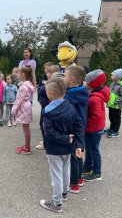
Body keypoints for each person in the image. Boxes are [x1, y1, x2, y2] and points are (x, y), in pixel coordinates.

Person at [39, 77, 84, 213]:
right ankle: (64, 193)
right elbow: (79, 125)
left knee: (56, 175)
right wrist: (78, 144)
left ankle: (56, 203)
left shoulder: (47, 111)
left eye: (46, 91)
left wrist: (66, 139)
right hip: (68, 147)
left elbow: (50, 133)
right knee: (65, 170)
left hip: (55, 148)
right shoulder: (70, 107)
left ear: (51, 93)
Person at [63, 66, 88, 194]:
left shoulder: (69, 96)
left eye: (65, 75)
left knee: (73, 157)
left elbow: (67, 115)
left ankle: (73, 184)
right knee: (79, 153)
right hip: (81, 128)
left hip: (72, 129)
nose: (63, 78)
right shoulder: (83, 91)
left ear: (71, 79)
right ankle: (79, 179)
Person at [83, 69, 110, 181]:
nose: (83, 82)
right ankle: (87, 166)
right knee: (88, 148)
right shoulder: (93, 95)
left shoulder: (94, 99)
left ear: (92, 84)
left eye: (85, 81)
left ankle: (97, 172)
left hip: (93, 129)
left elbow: (96, 116)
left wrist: (87, 126)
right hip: (92, 129)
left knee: (94, 150)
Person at [12, 66, 35, 154]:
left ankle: (27, 148)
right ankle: (27, 146)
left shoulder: (23, 87)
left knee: (25, 128)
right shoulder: (26, 85)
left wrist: (14, 110)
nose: (17, 74)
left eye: (18, 73)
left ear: (23, 74)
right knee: (26, 128)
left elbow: (18, 100)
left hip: (24, 107)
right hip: (26, 106)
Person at [36, 65, 60, 150]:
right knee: (42, 124)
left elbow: (42, 91)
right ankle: (46, 142)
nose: (46, 73)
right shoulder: (46, 81)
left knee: (46, 126)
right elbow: (39, 90)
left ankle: (48, 145)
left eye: (49, 72)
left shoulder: (52, 84)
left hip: (49, 107)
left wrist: (46, 85)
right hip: (44, 106)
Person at [106, 68, 122, 138]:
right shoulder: (113, 83)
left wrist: (116, 102)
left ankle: (115, 131)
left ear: (118, 77)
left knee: (116, 118)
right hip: (111, 105)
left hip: (116, 106)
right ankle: (111, 128)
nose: (111, 76)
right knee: (111, 117)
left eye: (113, 75)